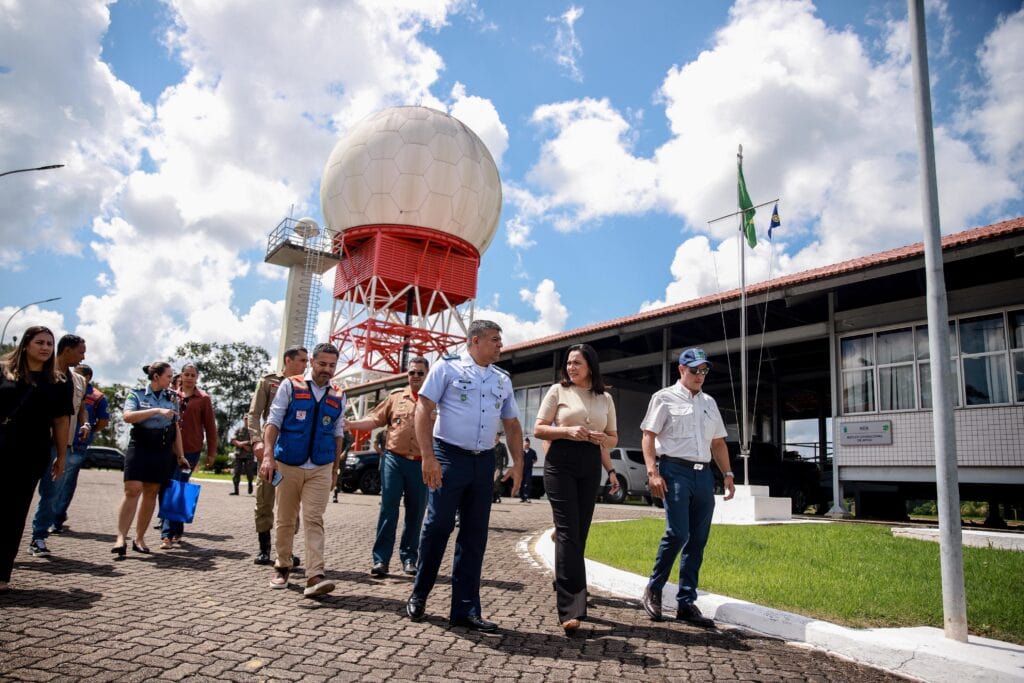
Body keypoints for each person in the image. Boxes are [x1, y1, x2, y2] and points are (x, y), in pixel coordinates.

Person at [406, 319, 523, 632]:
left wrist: (518, 464)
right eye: (494, 339)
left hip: (483, 462)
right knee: (437, 527)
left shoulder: (502, 379)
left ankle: (465, 610)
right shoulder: (447, 367)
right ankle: (420, 593)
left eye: (500, 340)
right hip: (448, 457)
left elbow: (512, 424)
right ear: (475, 341)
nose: (500, 345)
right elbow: (424, 408)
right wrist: (428, 457)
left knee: (474, 535)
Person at [640, 347, 735, 627]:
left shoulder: (709, 402)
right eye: (694, 370)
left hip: (703, 475)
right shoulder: (663, 398)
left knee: (698, 540)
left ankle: (686, 602)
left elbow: (717, 442)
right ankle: (654, 589)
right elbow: (648, 436)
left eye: (704, 370)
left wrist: (728, 473)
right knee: (678, 533)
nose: (700, 375)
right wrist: (652, 472)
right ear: (681, 370)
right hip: (675, 471)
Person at [534, 343, 620, 633]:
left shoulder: (605, 398)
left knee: (579, 531)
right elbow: (539, 429)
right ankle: (571, 609)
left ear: (590, 367)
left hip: (590, 463)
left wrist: (600, 438)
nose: (571, 367)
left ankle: (564, 578)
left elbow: (613, 438)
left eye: (577, 363)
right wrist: (567, 431)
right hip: (560, 463)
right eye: (569, 363)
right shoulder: (557, 391)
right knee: (569, 531)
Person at [259, 342, 345, 598]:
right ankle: (282, 566)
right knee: (285, 518)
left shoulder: (339, 394)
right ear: (312, 362)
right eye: (322, 364)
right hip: (288, 463)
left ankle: (315, 575)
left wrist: (334, 469)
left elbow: (338, 433)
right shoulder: (290, 385)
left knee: (314, 518)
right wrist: (268, 456)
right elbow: (273, 421)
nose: (327, 369)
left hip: (321, 466)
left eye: (332, 365)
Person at [0, 326, 73, 591]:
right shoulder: (3, 371)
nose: (45, 348)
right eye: (40, 342)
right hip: (1, 444)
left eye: (49, 344)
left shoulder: (58, 382)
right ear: (26, 344)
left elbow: (61, 421)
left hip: (31, 452)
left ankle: (2, 574)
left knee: (14, 512)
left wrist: (61, 456)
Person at [345, 357, 430, 577]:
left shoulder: (435, 400)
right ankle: (381, 560)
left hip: (420, 463)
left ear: (427, 374)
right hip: (394, 460)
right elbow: (374, 420)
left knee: (416, 512)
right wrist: (351, 424)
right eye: (412, 372)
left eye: (420, 373)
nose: (415, 376)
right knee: (388, 509)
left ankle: (409, 558)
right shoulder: (395, 397)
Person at [115, 361, 187, 556]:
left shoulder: (172, 398)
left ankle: (139, 538)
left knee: (151, 491)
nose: (172, 380)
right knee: (132, 489)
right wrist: (156, 411)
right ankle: (121, 538)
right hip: (139, 445)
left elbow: (175, 428)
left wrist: (180, 455)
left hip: (161, 448)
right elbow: (128, 416)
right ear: (156, 377)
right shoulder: (136, 394)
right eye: (168, 376)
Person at [246, 346, 308, 565]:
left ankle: (286, 550)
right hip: (270, 450)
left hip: (293, 452)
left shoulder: (306, 386)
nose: (306, 365)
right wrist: (257, 441)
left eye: (307, 361)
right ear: (288, 360)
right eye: (302, 360)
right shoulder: (268, 382)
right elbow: (254, 414)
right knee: (264, 499)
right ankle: (264, 548)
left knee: (291, 504)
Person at [29, 334, 88, 556]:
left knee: (52, 494)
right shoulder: (40, 373)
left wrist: (85, 423)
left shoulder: (79, 381)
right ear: (67, 350)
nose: (83, 357)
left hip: (63, 446)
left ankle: (38, 537)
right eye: (81, 352)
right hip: (33, 442)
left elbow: (81, 408)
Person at [160, 362, 217, 549]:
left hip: (191, 450)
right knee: (168, 486)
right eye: (187, 374)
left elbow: (210, 427)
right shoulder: (170, 395)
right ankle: (176, 528)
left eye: (193, 375)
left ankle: (167, 535)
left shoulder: (203, 399)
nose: (190, 378)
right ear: (181, 376)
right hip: (169, 448)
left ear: (197, 378)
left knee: (178, 486)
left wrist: (211, 452)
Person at [51, 363, 109, 534]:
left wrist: (89, 431)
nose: (73, 375)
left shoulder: (97, 397)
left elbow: (103, 421)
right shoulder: (65, 387)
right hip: (57, 440)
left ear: (87, 378)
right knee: (52, 480)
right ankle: (51, 514)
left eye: (77, 373)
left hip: (77, 444)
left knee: (67, 482)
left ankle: (56, 519)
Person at [230, 425, 255, 496]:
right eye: (245, 419)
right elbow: (233, 440)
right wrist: (243, 444)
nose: (246, 420)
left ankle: (250, 483)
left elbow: (254, 441)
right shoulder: (239, 430)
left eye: (248, 419)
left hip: (249, 455)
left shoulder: (253, 430)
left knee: (249, 472)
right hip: (238, 455)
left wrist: (241, 444)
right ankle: (236, 490)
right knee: (236, 472)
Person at [492, 433, 509, 503]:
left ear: (499, 437)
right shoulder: (491, 445)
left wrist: (505, 464)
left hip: (498, 466)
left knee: (496, 481)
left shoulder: (502, 446)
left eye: (497, 436)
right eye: (495, 436)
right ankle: (495, 497)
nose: (496, 437)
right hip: (491, 466)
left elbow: (506, 456)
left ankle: (496, 496)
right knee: (491, 481)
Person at [520, 438, 538, 503]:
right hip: (521, 470)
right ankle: (522, 497)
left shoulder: (532, 451)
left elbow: (535, 459)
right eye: (525, 443)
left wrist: (532, 462)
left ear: (529, 444)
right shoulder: (520, 451)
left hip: (528, 470)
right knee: (521, 483)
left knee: (527, 483)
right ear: (523, 444)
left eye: (528, 443)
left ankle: (527, 497)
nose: (526, 444)